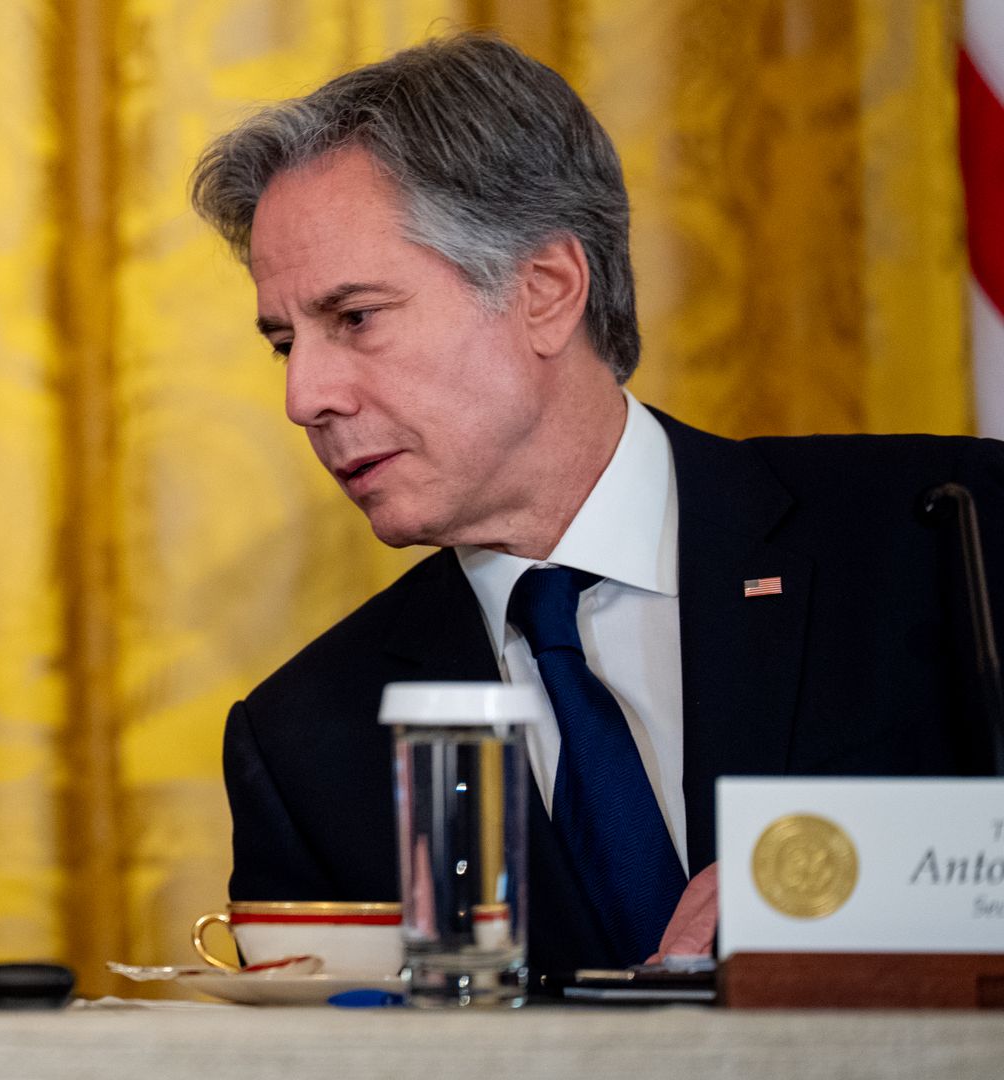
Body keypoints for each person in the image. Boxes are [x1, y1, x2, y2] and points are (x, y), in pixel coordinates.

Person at [189, 33, 1004, 977]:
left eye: (355, 318)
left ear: (545, 291)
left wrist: (868, 883)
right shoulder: (307, 738)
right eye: (286, 342)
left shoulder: (948, 532)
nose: (304, 397)